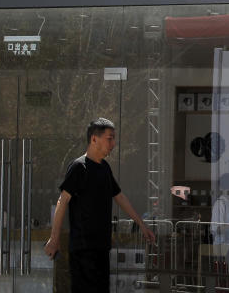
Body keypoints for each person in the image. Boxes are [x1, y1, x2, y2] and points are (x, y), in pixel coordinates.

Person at [43, 118, 156, 292]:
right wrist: (54, 238)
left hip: (101, 247)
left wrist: (142, 225)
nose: (113, 144)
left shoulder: (104, 168)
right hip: (83, 248)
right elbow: (62, 201)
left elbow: (120, 197)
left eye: (114, 139)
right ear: (94, 139)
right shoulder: (79, 167)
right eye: (109, 138)